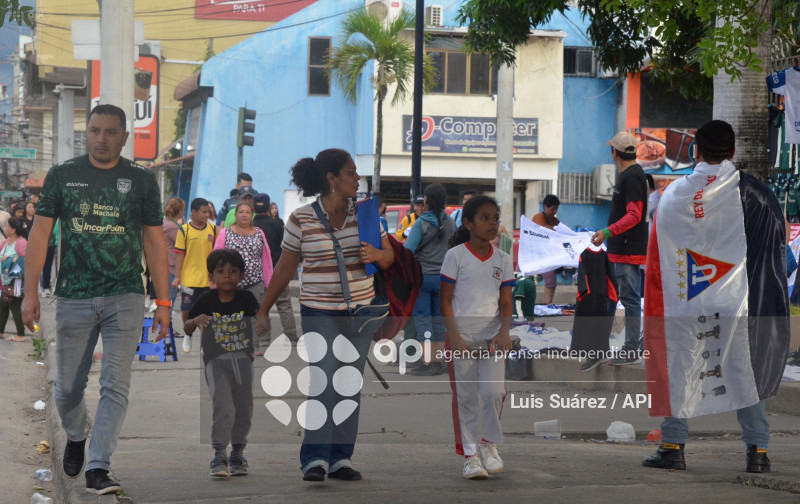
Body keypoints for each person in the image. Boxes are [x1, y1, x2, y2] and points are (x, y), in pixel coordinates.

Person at [21, 104, 170, 495]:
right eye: (94, 130)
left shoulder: (140, 180)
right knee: (68, 388)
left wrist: (165, 301)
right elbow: (39, 236)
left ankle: (99, 465)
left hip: (126, 293)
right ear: (85, 133)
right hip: (74, 295)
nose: (101, 138)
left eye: (110, 132)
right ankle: (75, 433)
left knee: (115, 384)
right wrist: (30, 292)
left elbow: (154, 240)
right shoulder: (63, 176)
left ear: (124, 136)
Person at [641, 120, 790, 474]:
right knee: (745, 371)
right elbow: (776, 247)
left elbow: (658, 253)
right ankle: (758, 452)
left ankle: (673, 446)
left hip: (688, 300)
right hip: (739, 300)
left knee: (682, 366)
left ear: (696, 150)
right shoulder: (755, 193)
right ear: (733, 150)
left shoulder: (673, 194)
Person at [256, 148, 394, 482]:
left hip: (360, 313)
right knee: (323, 382)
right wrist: (263, 309)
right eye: (351, 172)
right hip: (318, 311)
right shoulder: (300, 219)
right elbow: (286, 267)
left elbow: (388, 258)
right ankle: (315, 457)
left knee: (349, 384)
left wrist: (377, 253)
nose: (357, 178)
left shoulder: (365, 216)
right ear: (331, 178)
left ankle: (340, 458)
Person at [440, 195, 515, 480]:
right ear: (468, 224)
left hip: (493, 339)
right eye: (485, 218)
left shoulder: (503, 259)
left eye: (495, 218)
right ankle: (470, 457)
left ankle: (489, 445)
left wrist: (504, 331)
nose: (492, 224)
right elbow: (445, 301)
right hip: (461, 338)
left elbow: (506, 303)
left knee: (494, 392)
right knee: (467, 397)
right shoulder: (455, 256)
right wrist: (455, 336)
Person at [185, 249, 262, 478]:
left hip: (243, 361)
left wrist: (262, 323)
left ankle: (238, 453)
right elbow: (187, 326)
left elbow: (260, 317)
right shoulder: (206, 300)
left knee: (243, 408)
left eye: (233, 271)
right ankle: (219, 454)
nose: (227, 275)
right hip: (216, 362)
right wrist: (196, 321)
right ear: (212, 276)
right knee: (223, 406)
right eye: (221, 271)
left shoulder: (247, 299)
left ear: (241, 275)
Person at [591, 131, 648, 366]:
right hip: (621, 249)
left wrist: (607, 232)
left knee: (630, 299)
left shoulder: (631, 176)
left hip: (627, 249)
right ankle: (617, 343)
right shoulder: (631, 174)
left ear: (614, 152)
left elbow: (634, 215)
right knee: (617, 297)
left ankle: (632, 347)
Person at [404, 183, 457, 376]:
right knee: (439, 321)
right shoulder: (451, 223)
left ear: (426, 201)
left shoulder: (420, 223)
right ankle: (438, 360)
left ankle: (427, 362)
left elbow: (408, 250)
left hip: (423, 279)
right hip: (444, 279)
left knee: (423, 320)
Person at [214, 201, 273, 353]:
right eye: (241, 212)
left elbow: (266, 258)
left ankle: (254, 346)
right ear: (236, 215)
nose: (244, 215)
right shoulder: (225, 233)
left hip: (255, 280)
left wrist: (268, 281)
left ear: (252, 215)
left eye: (247, 212)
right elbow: (216, 256)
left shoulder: (259, 233)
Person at [252, 193, 298, 343]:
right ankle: (291, 335)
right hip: (278, 272)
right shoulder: (277, 224)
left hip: (258, 274)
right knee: (284, 304)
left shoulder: (251, 227)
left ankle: (264, 338)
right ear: (267, 208)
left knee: (261, 306)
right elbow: (287, 247)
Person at [173, 197, 217, 353]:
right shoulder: (184, 230)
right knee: (187, 310)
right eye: (204, 212)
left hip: (207, 281)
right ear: (194, 212)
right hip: (188, 279)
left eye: (208, 212)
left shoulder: (212, 230)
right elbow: (179, 255)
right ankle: (188, 333)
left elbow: (216, 255)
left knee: (206, 312)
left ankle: (205, 342)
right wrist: (177, 277)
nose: (206, 215)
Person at [0, 217, 27, 341]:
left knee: (14, 306)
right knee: (3, 306)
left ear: (14, 229)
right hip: (5, 281)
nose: (6, 229)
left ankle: (20, 334)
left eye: (8, 227)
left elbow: (25, 262)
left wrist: (10, 261)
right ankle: (0, 331)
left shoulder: (21, 243)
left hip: (16, 282)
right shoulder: (6, 242)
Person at [532, 194, 561, 304]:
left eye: (556, 209)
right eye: (553, 209)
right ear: (545, 207)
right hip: (532, 253)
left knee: (551, 279)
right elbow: (543, 228)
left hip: (545, 255)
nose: (554, 211)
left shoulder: (555, 221)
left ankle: (548, 303)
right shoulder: (538, 217)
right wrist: (557, 230)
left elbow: (561, 230)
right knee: (521, 276)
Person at [163, 197, 185, 310]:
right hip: (171, 266)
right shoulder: (172, 227)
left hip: (164, 264)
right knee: (170, 298)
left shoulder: (165, 222)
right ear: (180, 211)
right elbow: (181, 244)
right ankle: (168, 324)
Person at [41, 218, 59, 298]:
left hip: (56, 244)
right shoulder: (49, 217)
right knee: (47, 266)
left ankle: (53, 286)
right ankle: (46, 286)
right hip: (49, 244)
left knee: (57, 267)